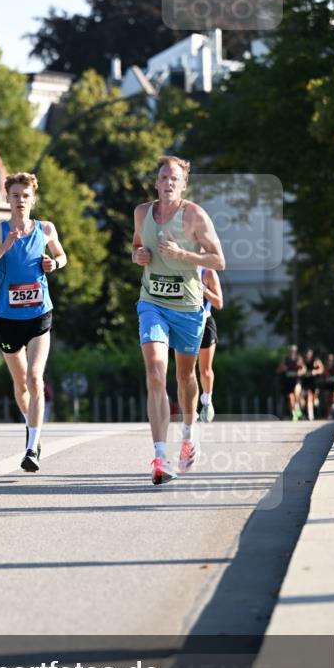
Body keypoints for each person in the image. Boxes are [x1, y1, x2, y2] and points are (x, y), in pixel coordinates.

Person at [133, 156, 225, 485]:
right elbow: (136, 246)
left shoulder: (195, 215)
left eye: (175, 178)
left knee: (185, 377)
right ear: (156, 183)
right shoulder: (142, 213)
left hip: (188, 307)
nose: (169, 183)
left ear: (183, 184)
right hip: (152, 304)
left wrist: (182, 254)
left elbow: (219, 260)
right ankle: (160, 457)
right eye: (164, 177)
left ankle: (189, 431)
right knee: (155, 372)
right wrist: (138, 256)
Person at [0, 172, 67, 472]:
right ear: (7, 199)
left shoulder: (46, 228)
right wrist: (3, 248)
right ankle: (31, 425)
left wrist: (54, 263)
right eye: (15, 195)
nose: (20, 201)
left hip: (39, 313)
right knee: (21, 383)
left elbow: (62, 255)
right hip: (8, 318)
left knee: (35, 379)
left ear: (33, 199)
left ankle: (32, 447)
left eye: (25, 196)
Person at [197, 267, 223, 422]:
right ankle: (189, 409)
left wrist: (203, 288)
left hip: (205, 322)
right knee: (186, 371)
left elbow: (219, 303)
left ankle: (207, 401)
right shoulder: (178, 268)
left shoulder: (208, 273)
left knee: (205, 370)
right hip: (184, 324)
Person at [276, 344, 305, 421]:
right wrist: (282, 369)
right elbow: (278, 370)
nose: (292, 352)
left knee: (296, 394)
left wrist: (300, 372)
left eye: (293, 351)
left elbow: (304, 368)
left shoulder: (298, 359)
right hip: (288, 382)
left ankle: (298, 408)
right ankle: (294, 413)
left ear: (295, 351)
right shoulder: (285, 360)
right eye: (290, 351)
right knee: (290, 398)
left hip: (296, 380)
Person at [300, 347, 324, 421]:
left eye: (309, 353)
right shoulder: (302, 361)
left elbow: (322, 369)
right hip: (305, 382)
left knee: (313, 399)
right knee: (306, 398)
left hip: (314, 382)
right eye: (307, 353)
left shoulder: (316, 360)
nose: (308, 355)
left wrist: (315, 372)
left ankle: (314, 404)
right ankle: (309, 415)